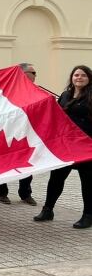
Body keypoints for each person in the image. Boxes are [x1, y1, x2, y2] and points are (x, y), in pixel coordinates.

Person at [34, 65, 92, 228]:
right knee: (56, 178)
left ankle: (88, 215)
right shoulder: (66, 95)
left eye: (83, 75)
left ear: (89, 79)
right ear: (72, 78)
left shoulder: (91, 97)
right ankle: (48, 210)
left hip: (87, 145)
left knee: (87, 181)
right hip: (66, 145)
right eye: (76, 75)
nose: (79, 78)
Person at [0, 63, 37, 205]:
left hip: (27, 133)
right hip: (7, 133)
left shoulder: (36, 91)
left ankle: (25, 194)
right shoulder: (7, 90)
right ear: (23, 74)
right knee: (4, 164)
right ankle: (1, 193)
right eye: (33, 72)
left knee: (27, 165)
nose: (35, 75)